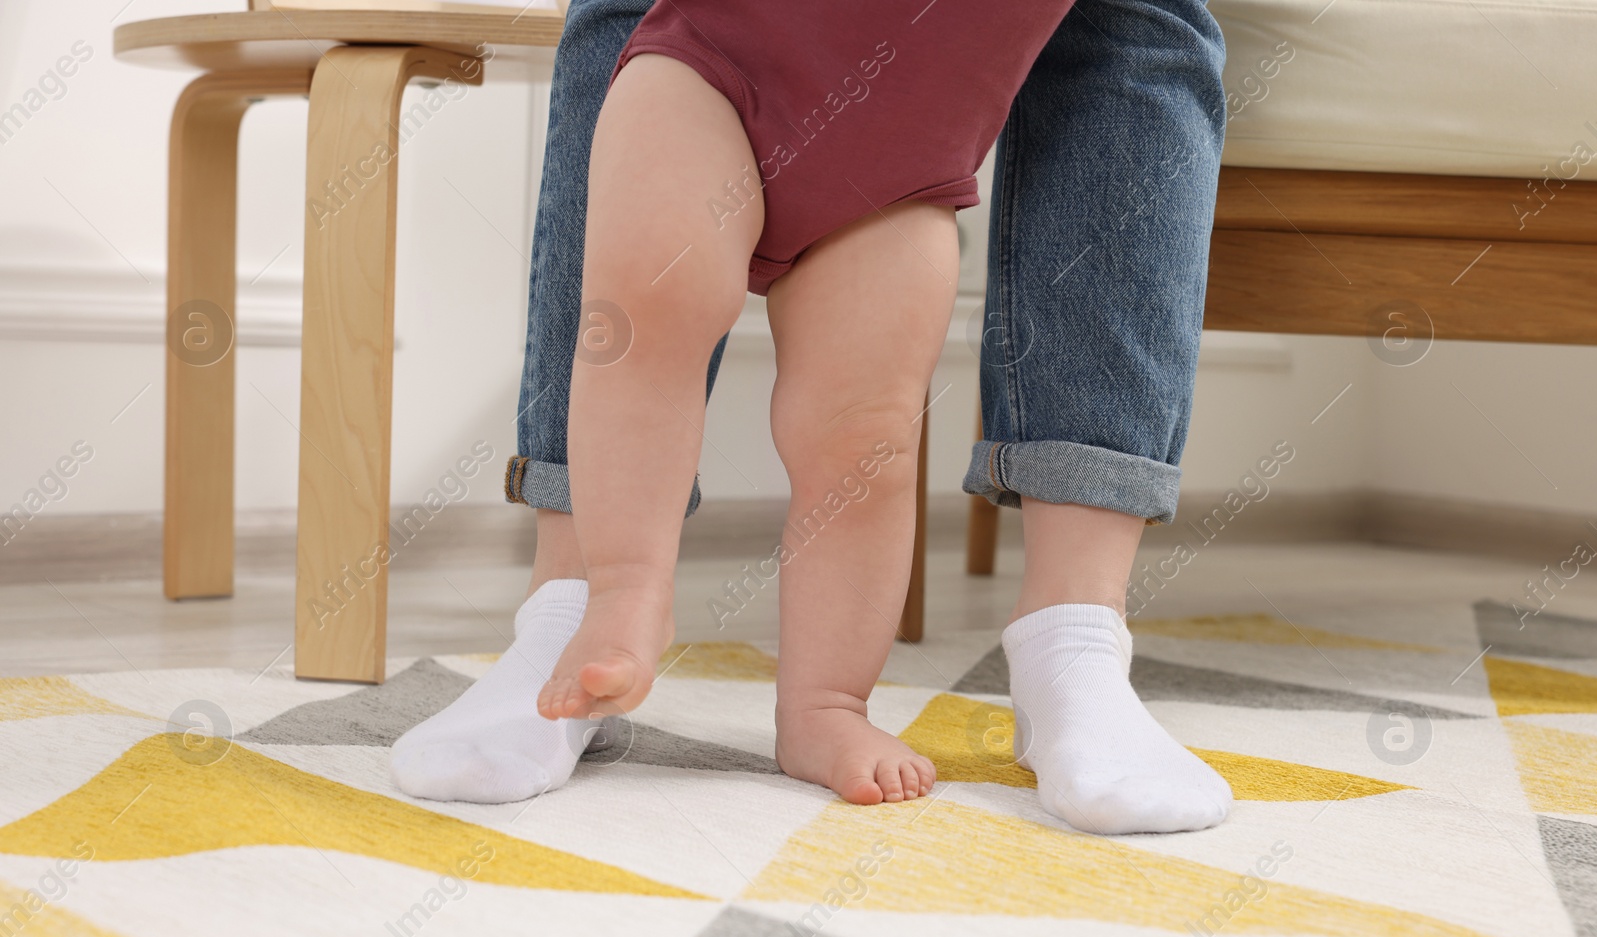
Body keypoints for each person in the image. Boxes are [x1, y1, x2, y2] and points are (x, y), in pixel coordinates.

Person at [392, 0, 1234, 836]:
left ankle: (831, 703)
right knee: (647, 314)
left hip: (906, 147)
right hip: (717, 61)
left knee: (862, 437)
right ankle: (607, 598)